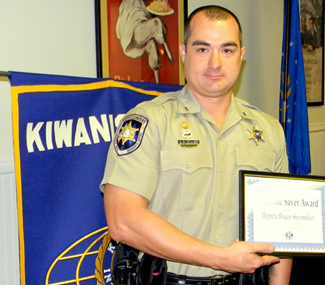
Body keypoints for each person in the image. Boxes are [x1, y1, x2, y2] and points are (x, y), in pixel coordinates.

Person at [101, 5, 292, 285]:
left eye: (227, 50)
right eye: (203, 49)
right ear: (182, 53)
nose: (215, 63)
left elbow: (281, 227)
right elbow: (123, 221)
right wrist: (219, 258)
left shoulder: (269, 130)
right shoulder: (150, 121)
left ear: (241, 55)